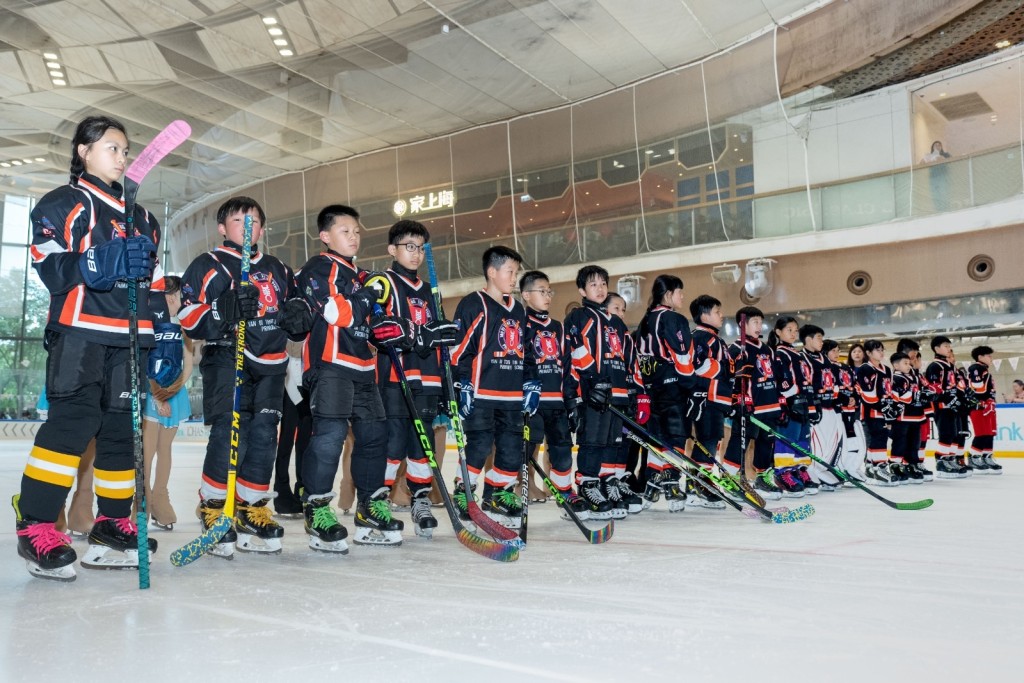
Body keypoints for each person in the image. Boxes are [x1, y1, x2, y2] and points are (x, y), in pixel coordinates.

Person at [12, 115, 179, 581]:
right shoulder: (63, 202)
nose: (122, 157)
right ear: (83, 151)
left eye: (125, 149)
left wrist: (163, 330)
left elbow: (152, 281)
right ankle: (37, 526)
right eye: (111, 147)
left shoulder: (142, 217)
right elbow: (49, 266)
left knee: (121, 433)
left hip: (130, 338)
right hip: (80, 333)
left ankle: (111, 524)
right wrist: (97, 260)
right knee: (73, 424)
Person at [179, 196, 312, 558]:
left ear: (264, 229)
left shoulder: (279, 269)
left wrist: (300, 321)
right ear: (223, 228)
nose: (247, 226)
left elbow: (295, 314)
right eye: (239, 220)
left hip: (271, 364)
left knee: (265, 436)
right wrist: (222, 311)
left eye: (254, 220)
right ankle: (213, 505)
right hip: (227, 356)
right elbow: (188, 317)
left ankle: (251, 506)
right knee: (227, 431)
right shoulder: (208, 265)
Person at [296, 205, 416, 551]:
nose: (354, 237)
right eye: (345, 231)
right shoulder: (318, 268)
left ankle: (369, 506)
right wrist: (366, 296)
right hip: (331, 365)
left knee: (375, 435)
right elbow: (336, 312)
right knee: (330, 436)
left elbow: (374, 325)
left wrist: (394, 330)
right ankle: (317, 508)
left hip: (364, 366)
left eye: (357, 232)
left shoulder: (362, 275)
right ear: (325, 236)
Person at [377, 219, 458, 538]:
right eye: (409, 246)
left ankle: (420, 499)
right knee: (393, 444)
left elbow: (438, 339)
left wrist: (446, 338)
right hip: (396, 379)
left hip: (426, 381)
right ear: (392, 249)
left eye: (420, 248)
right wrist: (421, 335)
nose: (415, 253)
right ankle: (378, 500)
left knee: (421, 447)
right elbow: (380, 329)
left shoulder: (429, 291)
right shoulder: (384, 283)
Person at [450, 246, 537, 528]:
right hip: (480, 393)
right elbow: (459, 349)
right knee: (479, 444)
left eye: (516, 272)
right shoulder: (474, 304)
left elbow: (526, 350)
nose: (514, 277)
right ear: (492, 272)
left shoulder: (519, 309)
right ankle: (464, 491)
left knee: (512, 446)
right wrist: (461, 383)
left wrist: (531, 382)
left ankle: (498, 493)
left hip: (511, 395)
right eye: (510, 271)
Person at [564, 265, 642, 518]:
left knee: (612, 442)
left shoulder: (616, 322)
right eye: (593, 284)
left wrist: (630, 388)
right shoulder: (579, 316)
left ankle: (606, 484)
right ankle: (587, 485)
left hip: (617, 393)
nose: (599, 289)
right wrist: (594, 381)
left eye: (603, 284)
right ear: (582, 290)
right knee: (593, 441)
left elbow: (623, 356)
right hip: (594, 393)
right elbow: (576, 350)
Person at [520, 270, 586, 517]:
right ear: (526, 295)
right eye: (541, 291)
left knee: (562, 451)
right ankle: (516, 489)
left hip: (556, 403)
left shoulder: (558, 327)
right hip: (532, 404)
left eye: (549, 291)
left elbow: (567, 367)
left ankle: (564, 493)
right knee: (526, 450)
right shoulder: (521, 324)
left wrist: (571, 402)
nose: (547, 296)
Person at [635, 275, 697, 513]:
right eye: (680, 292)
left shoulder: (645, 320)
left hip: (651, 388)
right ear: (669, 294)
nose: (682, 297)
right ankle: (671, 482)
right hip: (672, 387)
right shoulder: (672, 318)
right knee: (676, 437)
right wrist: (691, 385)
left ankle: (652, 484)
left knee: (658, 438)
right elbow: (682, 356)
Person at [142, 275, 194, 530]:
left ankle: (160, 500)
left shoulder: (185, 325)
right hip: (151, 390)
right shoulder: (151, 322)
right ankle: (140, 503)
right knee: (147, 452)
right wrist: (158, 395)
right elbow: (145, 362)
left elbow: (189, 363)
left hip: (175, 393)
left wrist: (171, 391)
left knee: (165, 450)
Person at [724, 307, 783, 499]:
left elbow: (773, 375)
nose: (759, 326)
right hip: (750, 407)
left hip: (769, 406)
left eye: (760, 322)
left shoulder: (766, 349)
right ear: (743, 325)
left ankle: (763, 478)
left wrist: (781, 401)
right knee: (740, 442)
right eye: (754, 322)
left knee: (767, 444)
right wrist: (738, 402)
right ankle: (730, 479)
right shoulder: (735, 349)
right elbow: (732, 380)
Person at [686, 294, 731, 509]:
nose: (721, 316)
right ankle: (699, 485)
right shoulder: (701, 338)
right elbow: (698, 366)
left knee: (712, 441)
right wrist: (722, 368)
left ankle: (698, 483)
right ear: (704, 315)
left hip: (717, 399)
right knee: (707, 441)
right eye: (717, 312)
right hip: (707, 398)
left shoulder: (715, 338)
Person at [768, 316, 815, 496]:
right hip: (789, 403)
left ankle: (799, 469)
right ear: (778, 332)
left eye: (796, 330)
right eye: (790, 330)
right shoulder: (779, 353)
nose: (794, 333)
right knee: (787, 438)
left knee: (802, 438)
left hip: (802, 402)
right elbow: (782, 381)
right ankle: (783, 473)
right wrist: (792, 394)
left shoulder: (797, 353)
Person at [802, 326, 842, 491]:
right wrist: (812, 406)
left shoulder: (824, 358)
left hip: (829, 406)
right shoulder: (802, 357)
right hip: (815, 407)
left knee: (830, 443)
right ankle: (812, 473)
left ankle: (823, 470)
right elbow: (805, 383)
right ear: (808, 339)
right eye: (819, 338)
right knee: (816, 443)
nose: (821, 341)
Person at [272, 340, 309, 516]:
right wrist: (296, 399)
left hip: (309, 389)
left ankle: (303, 487)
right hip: (290, 391)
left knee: (305, 443)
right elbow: (286, 364)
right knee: (286, 442)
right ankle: (281, 494)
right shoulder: (286, 327)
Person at [924, 336, 970, 479]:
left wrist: (962, 396)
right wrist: (949, 397)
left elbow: (958, 385)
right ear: (936, 348)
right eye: (945, 346)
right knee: (946, 433)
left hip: (953, 406)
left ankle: (950, 459)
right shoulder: (935, 366)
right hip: (942, 406)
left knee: (954, 433)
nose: (948, 348)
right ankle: (941, 461)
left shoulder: (950, 366)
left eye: (949, 346)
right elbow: (933, 388)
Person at [857, 340, 900, 486]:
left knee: (882, 437)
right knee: (879, 437)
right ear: (868, 353)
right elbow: (867, 393)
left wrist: (893, 406)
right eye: (877, 350)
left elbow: (890, 390)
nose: (881, 353)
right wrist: (882, 407)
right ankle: (879, 467)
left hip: (884, 411)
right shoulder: (865, 369)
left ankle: (870, 466)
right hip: (871, 411)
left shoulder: (887, 369)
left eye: (882, 349)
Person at [889, 352, 927, 483]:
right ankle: (895, 464)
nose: (909, 366)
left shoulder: (914, 377)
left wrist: (926, 394)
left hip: (916, 416)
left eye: (909, 363)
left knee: (914, 442)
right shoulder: (895, 378)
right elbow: (898, 397)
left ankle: (911, 464)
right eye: (905, 363)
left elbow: (922, 391)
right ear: (896, 365)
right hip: (902, 417)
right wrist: (916, 395)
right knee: (900, 442)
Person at [966, 346, 1002, 474]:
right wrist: (986, 399)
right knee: (982, 432)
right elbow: (977, 387)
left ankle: (987, 456)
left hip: (988, 405)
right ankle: (973, 457)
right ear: (980, 357)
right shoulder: (975, 368)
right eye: (988, 355)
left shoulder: (985, 370)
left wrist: (990, 400)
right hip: (978, 405)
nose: (991, 358)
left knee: (990, 432)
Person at [920, 140, 952, 212]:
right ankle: (938, 210)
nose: (937, 146)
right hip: (933, 177)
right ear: (932, 148)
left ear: (941, 147)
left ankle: (946, 209)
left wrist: (938, 157)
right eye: (935, 145)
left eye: (939, 145)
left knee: (944, 192)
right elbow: (921, 164)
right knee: (935, 194)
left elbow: (950, 161)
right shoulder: (929, 156)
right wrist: (929, 158)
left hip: (943, 176)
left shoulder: (946, 154)